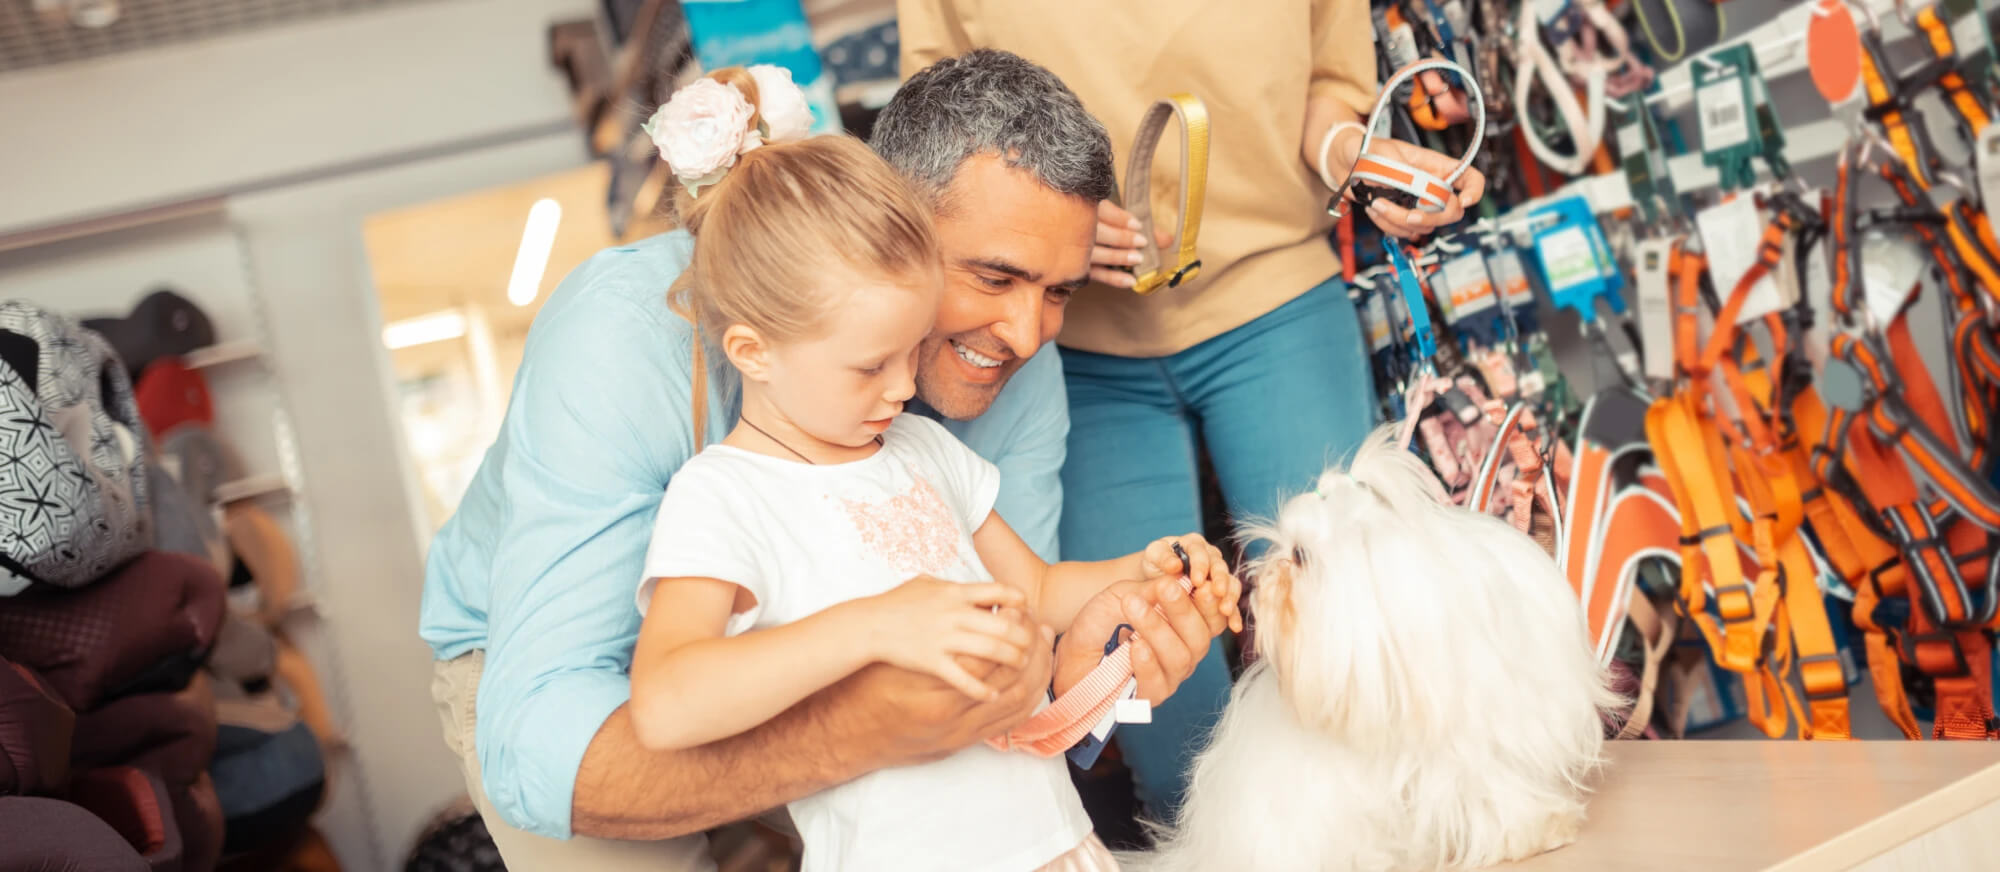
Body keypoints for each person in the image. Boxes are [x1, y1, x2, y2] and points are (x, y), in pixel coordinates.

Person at [418, 50, 1232, 870]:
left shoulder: (1008, 378)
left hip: (843, 672)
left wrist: (1090, 675)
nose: (1027, 334)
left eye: (1059, 291)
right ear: (887, 221)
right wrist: (858, 724)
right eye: (993, 277)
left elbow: (1006, 648)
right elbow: (547, 749)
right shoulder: (625, 345)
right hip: (578, 682)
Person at [897, 0, 1489, 820]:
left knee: (1371, 668)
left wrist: (1354, 156)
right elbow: (939, 121)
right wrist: (1048, 225)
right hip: (1082, 353)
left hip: (1276, 303)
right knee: (1165, 745)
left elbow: (1330, 89)